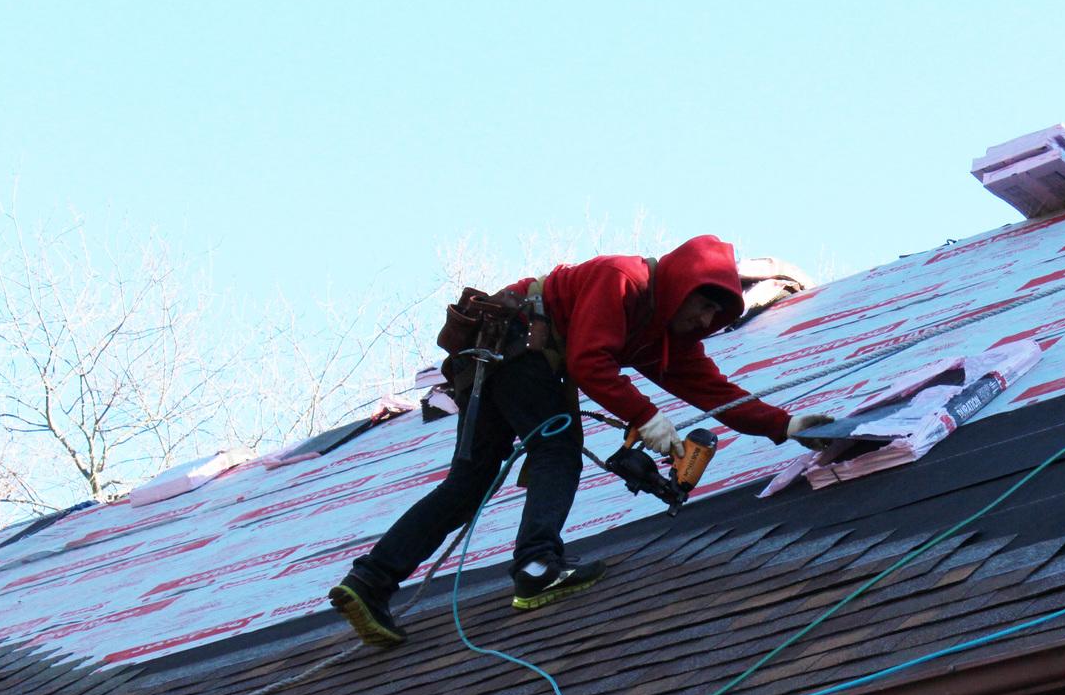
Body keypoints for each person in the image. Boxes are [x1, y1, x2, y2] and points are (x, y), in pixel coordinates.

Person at [329, 234, 832, 649]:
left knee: (470, 481)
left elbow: (712, 391)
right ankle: (535, 565)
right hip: (518, 345)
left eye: (713, 317)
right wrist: (645, 416)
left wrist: (783, 426)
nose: (705, 322)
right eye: (702, 306)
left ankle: (370, 582)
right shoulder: (622, 281)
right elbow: (590, 363)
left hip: (497, 358)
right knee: (557, 449)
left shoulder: (662, 335)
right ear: (681, 286)